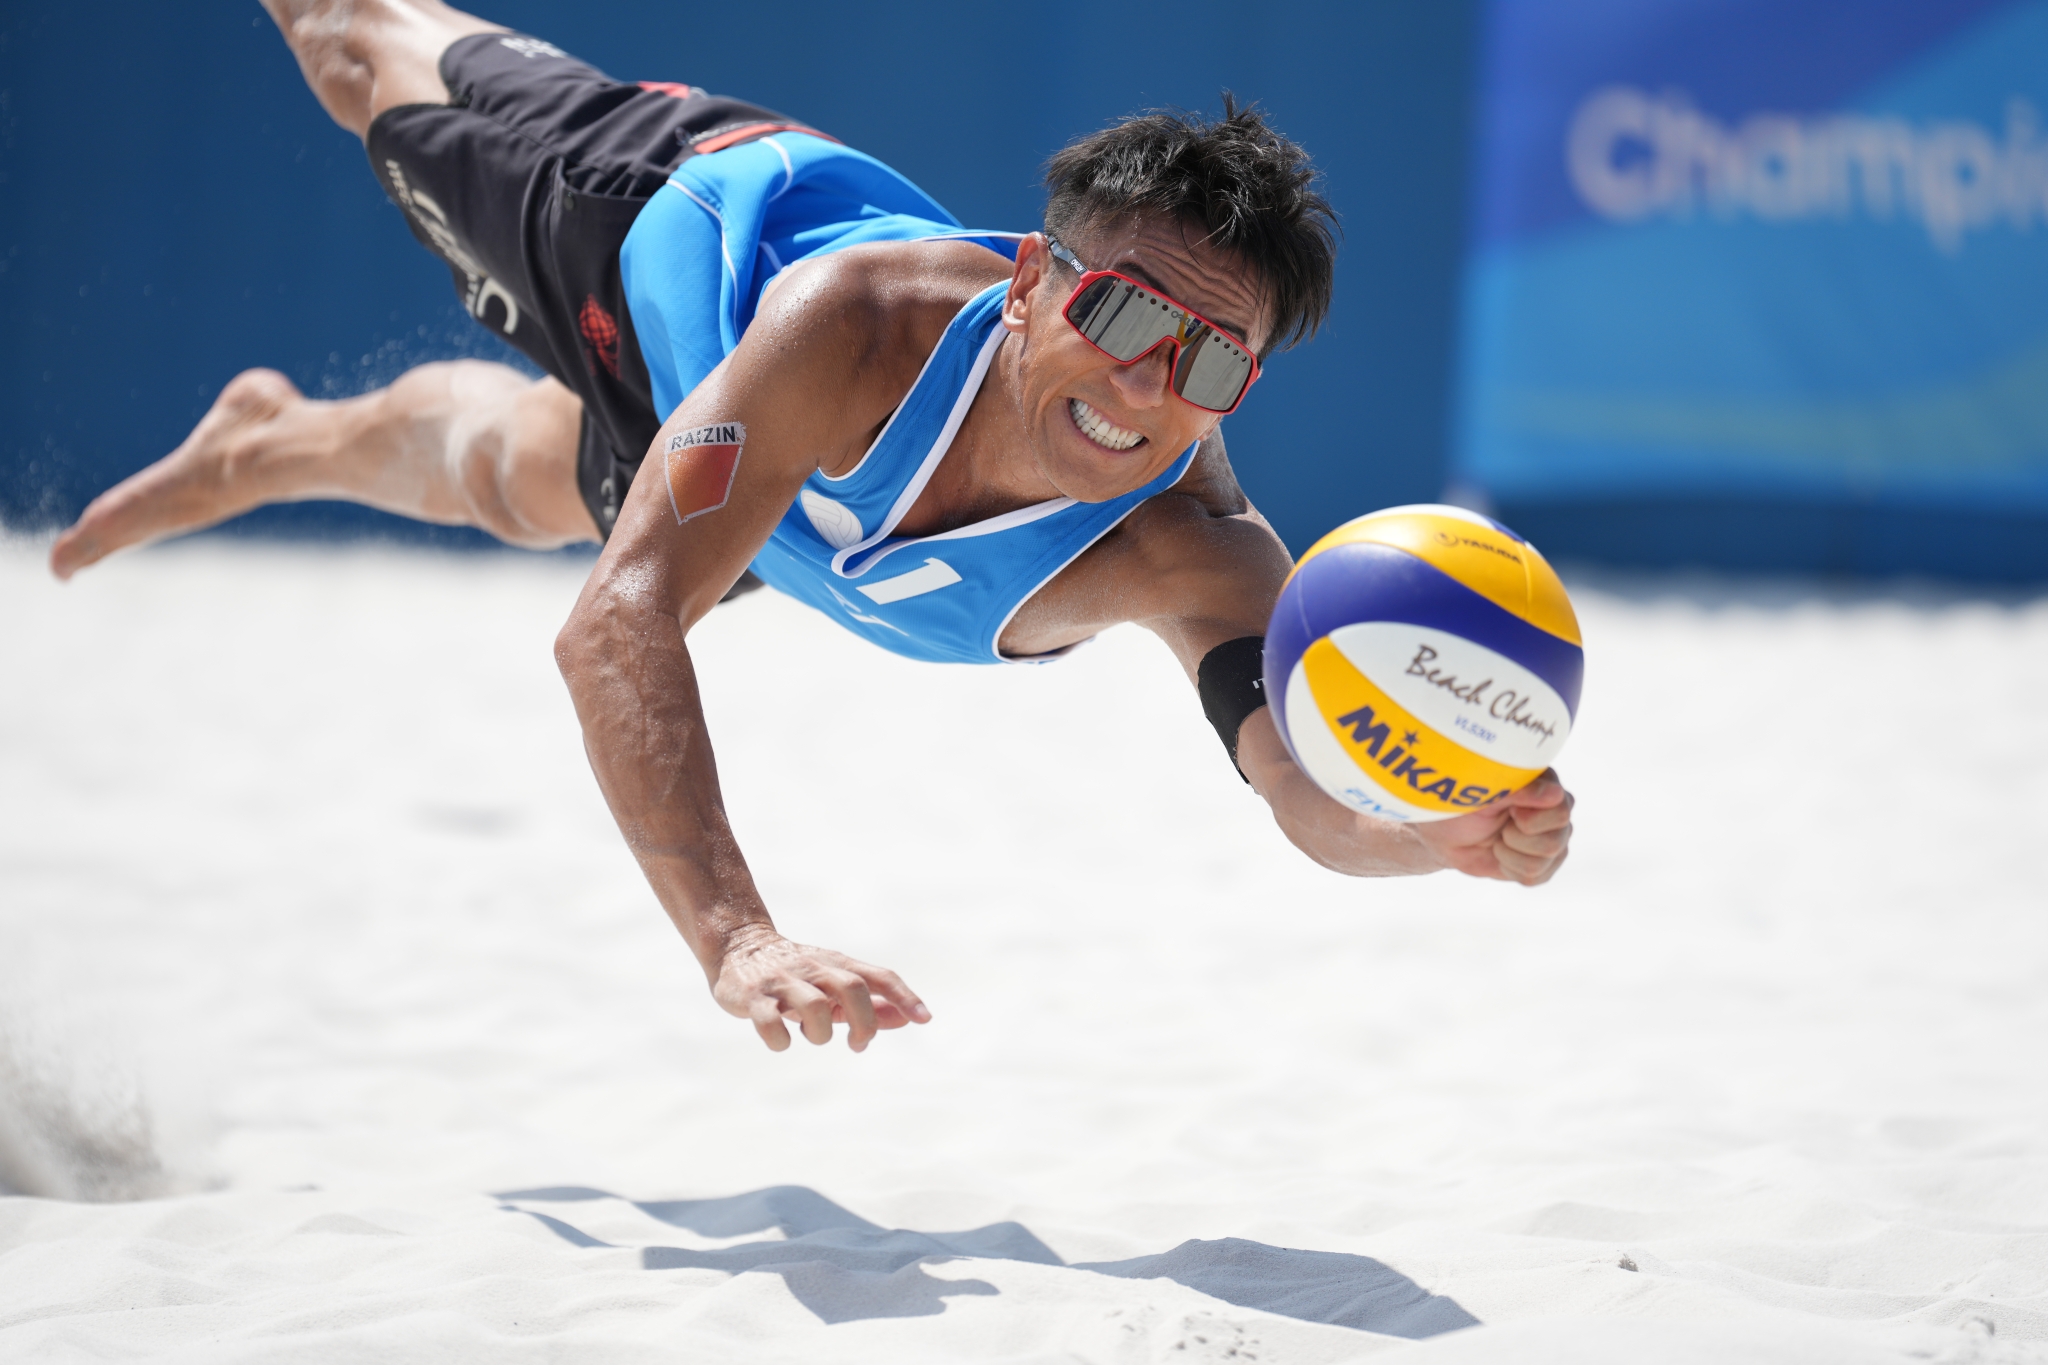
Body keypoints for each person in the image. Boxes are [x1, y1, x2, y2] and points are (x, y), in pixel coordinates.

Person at [49, 0, 1576, 1053]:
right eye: (1122, 310)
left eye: (1215, 355)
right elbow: (615, 629)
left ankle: (272, 439)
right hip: (650, 224)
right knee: (354, 52)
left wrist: (1425, 834)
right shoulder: (860, 327)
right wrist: (738, 938)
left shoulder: (1198, 550)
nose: (1150, 379)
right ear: (1036, 282)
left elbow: (1302, 787)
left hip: (790, 493)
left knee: (521, 483)